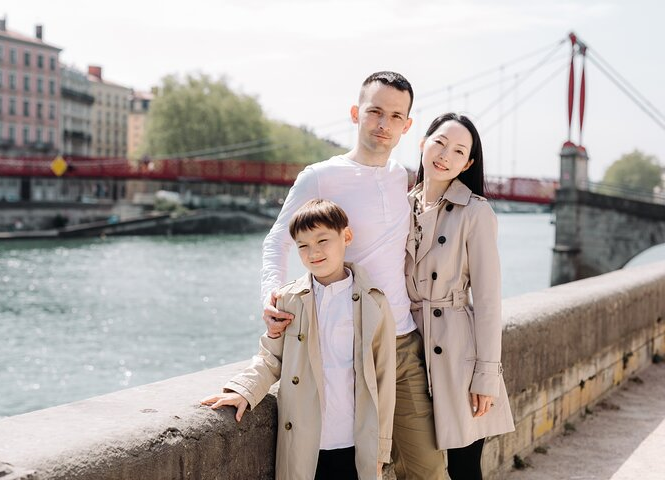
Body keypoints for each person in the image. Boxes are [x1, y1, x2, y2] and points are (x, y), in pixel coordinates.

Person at [262, 71, 445, 478]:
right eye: (375, 111)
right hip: (347, 349)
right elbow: (278, 240)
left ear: (407, 125)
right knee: (363, 469)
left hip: (402, 341)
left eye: (396, 116)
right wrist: (271, 296)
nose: (384, 123)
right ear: (355, 113)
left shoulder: (404, 178)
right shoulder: (320, 175)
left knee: (428, 468)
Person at [201, 199, 396, 480]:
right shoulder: (288, 299)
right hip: (305, 441)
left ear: (347, 237)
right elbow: (271, 358)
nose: (313, 252)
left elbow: (385, 379)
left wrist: (380, 451)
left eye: (322, 240)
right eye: (303, 245)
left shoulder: (374, 302)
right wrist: (243, 390)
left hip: (355, 442)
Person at [405, 113, 515, 479]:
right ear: (422, 143)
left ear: (467, 163)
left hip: (457, 354)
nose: (444, 155)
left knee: (465, 467)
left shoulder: (476, 212)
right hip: (408, 348)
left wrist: (486, 375)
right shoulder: (400, 207)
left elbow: (487, 301)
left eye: (458, 151)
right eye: (439, 142)